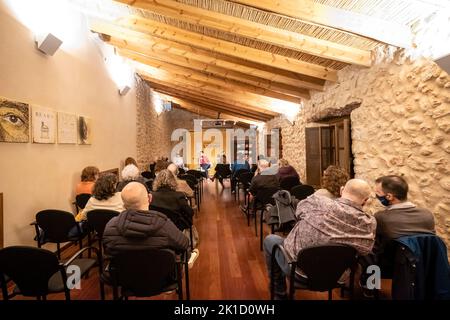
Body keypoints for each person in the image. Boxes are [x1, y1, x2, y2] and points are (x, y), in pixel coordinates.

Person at [263, 179, 376, 299]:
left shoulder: (316, 202)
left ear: (342, 190)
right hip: (338, 277)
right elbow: (365, 251)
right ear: (366, 200)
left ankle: (279, 295)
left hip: (298, 274)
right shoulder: (370, 222)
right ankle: (370, 290)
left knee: (271, 239)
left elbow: (298, 214)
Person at [102, 182, 191, 258]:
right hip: (161, 275)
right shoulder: (164, 224)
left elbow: (108, 251)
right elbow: (184, 244)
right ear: (149, 198)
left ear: (124, 205)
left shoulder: (111, 226)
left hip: (122, 276)